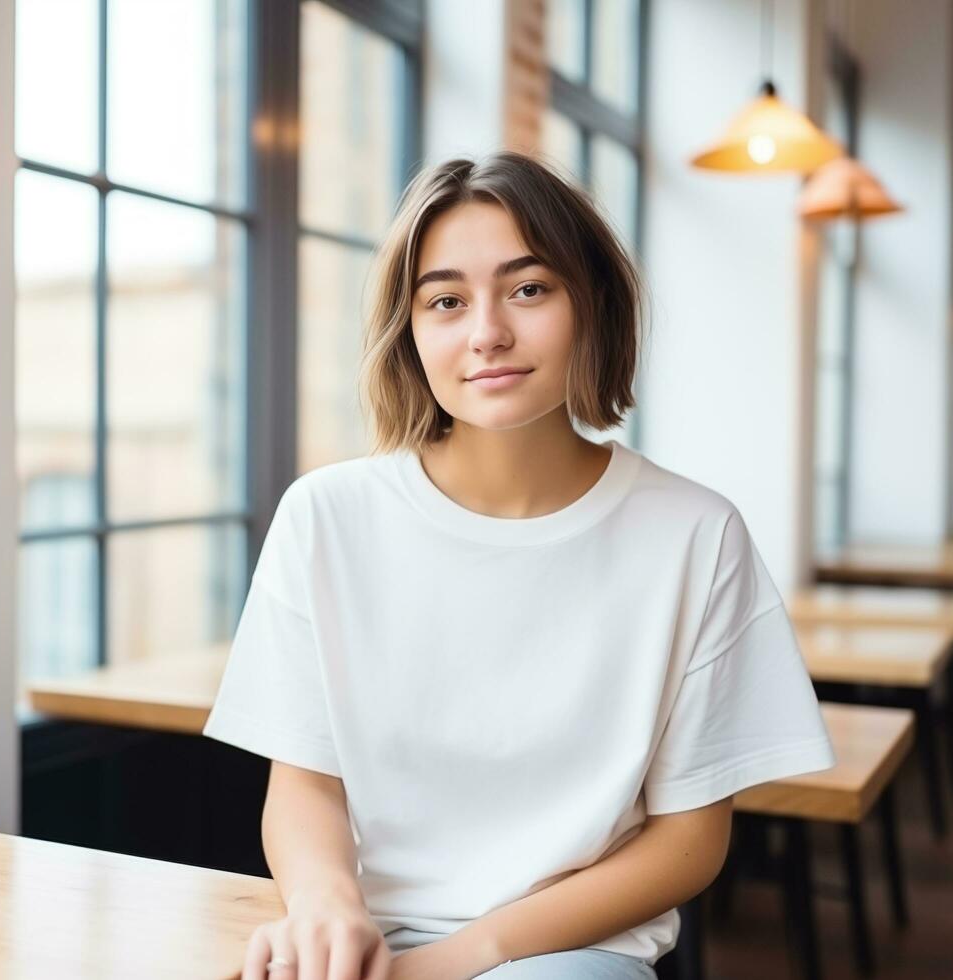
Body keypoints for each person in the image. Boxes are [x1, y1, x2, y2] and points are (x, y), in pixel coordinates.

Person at [201, 150, 837, 980]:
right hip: (361, 934)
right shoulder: (326, 515)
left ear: (593, 304)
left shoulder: (695, 533)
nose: (486, 332)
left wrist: (458, 958)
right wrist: (325, 909)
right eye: (445, 300)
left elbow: (688, 841)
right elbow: (305, 783)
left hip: (569, 949)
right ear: (410, 328)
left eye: (528, 289)